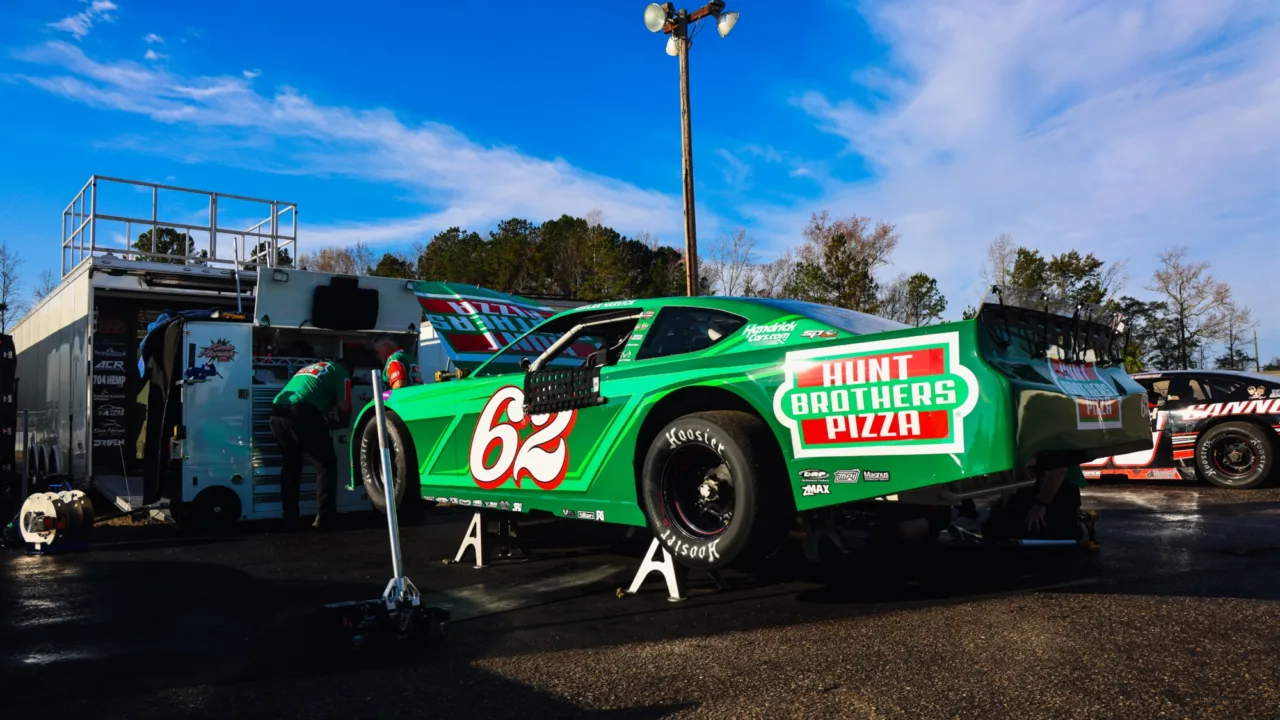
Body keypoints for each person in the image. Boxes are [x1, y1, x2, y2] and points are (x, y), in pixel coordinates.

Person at [270, 358, 352, 530]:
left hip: (278, 414)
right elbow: (344, 406)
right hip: (302, 412)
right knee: (326, 465)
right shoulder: (340, 371)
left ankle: (290, 517)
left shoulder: (311, 368)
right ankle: (325, 517)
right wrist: (342, 423)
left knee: (291, 467)